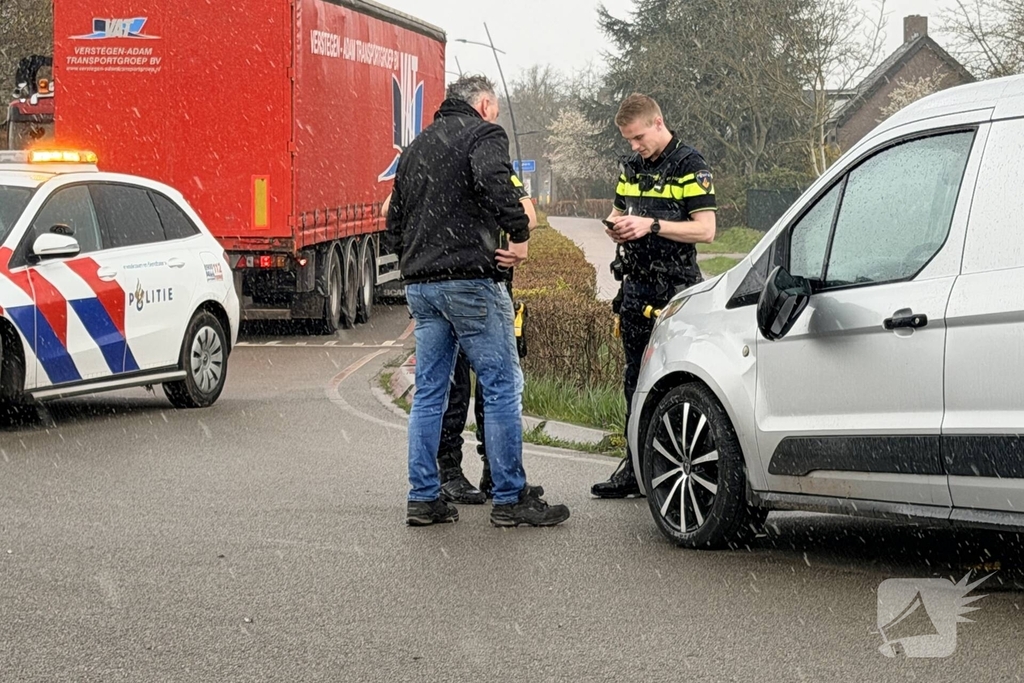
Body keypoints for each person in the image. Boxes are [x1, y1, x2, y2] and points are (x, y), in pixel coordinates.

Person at [386, 74, 570, 527]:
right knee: (502, 384)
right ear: (485, 104)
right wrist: (519, 236)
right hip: (470, 281)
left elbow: (394, 219)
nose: (497, 116)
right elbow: (495, 183)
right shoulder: (484, 134)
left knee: (430, 392)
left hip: (422, 285)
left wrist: (413, 259)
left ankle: (423, 497)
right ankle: (509, 497)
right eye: (496, 109)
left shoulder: (416, 147)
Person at [591, 93, 717, 499]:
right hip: (635, 287)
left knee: (678, 380)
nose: (634, 146)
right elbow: (617, 212)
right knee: (634, 381)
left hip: (675, 289)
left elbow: (706, 230)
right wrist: (615, 226)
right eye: (628, 140)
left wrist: (652, 225)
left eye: (638, 137)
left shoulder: (689, 165)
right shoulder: (631, 168)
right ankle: (634, 466)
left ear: (658, 123)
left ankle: (686, 467)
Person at [436, 170, 537, 505]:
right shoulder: (440, 166)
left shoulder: (491, 167)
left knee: (492, 388)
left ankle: (494, 471)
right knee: (454, 387)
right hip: (456, 287)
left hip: (489, 286)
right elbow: (393, 209)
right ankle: (449, 472)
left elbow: (529, 214)